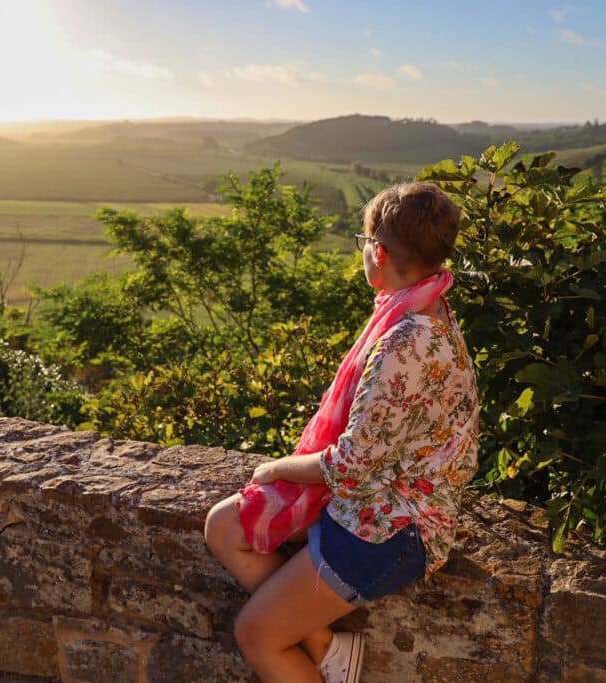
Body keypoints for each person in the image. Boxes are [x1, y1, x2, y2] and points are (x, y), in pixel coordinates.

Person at [204, 181, 479, 683]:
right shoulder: (423, 308)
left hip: (395, 527)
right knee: (224, 528)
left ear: (379, 253)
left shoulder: (405, 343)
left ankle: (322, 652)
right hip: (375, 501)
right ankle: (329, 648)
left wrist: (276, 467)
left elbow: (351, 465)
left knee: (257, 635)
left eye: (363, 243)